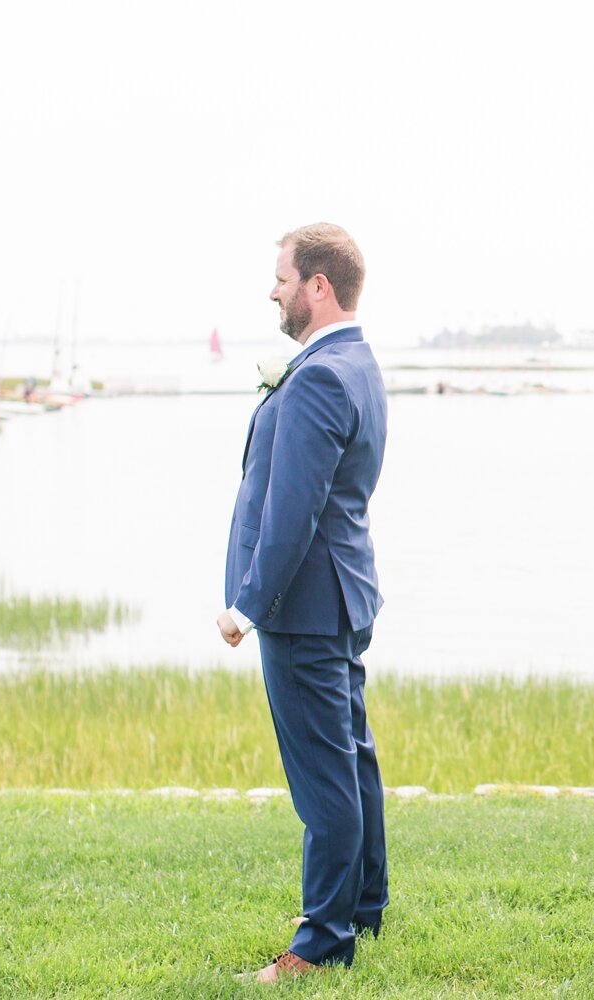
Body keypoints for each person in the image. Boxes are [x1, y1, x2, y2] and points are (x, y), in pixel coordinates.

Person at [218, 223, 389, 983]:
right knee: (350, 761)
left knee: (325, 778)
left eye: (283, 277)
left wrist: (249, 604)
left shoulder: (321, 375)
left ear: (319, 284)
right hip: (339, 595)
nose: (273, 289)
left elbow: (296, 510)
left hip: (305, 603)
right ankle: (365, 906)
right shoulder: (356, 361)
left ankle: (322, 944)